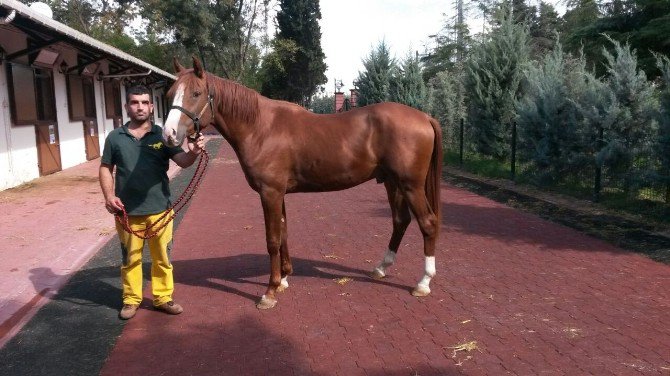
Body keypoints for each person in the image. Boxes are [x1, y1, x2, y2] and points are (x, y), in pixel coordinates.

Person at [99, 84, 205, 320]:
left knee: (163, 259)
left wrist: (194, 152)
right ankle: (131, 300)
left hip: (160, 211)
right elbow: (106, 168)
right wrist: (108, 196)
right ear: (127, 106)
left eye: (144, 102)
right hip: (127, 212)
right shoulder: (115, 137)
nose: (140, 107)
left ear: (151, 106)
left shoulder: (163, 135)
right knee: (130, 259)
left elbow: (183, 160)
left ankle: (163, 298)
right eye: (135, 102)